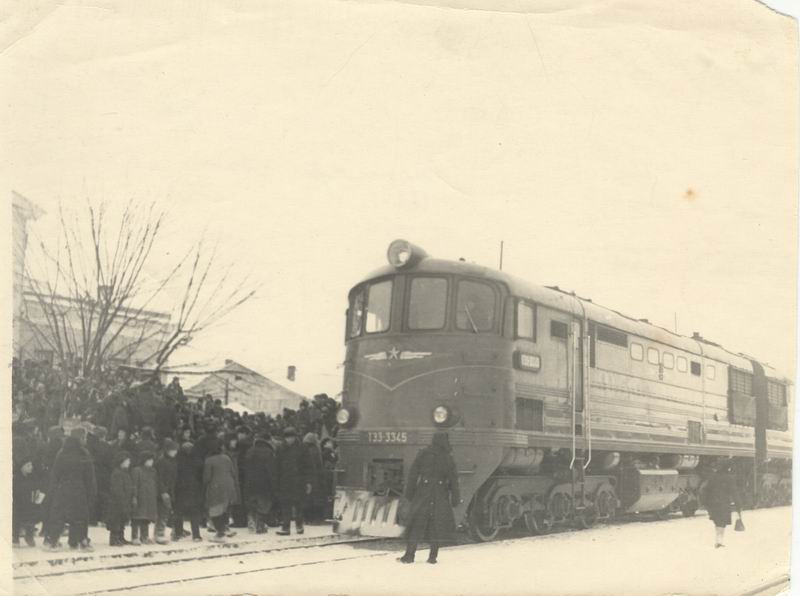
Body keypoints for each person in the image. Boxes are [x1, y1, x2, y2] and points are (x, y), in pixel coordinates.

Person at [398, 431, 460, 564]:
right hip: (440, 494)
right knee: (436, 526)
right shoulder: (448, 457)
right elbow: (454, 479)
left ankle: (409, 556)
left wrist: (410, 493)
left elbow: (413, 474)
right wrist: (455, 498)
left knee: (416, 524)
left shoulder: (423, 453)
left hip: (423, 493)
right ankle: (432, 557)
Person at [45, 427, 97, 552]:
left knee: (59, 515)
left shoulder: (61, 453)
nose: (85, 440)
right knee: (80, 515)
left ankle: (53, 541)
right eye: (83, 437)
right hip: (79, 489)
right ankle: (79, 541)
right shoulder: (84, 454)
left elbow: (55, 474)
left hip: (63, 489)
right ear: (79, 438)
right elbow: (89, 477)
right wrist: (92, 492)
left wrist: (53, 490)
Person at [276, 427, 311, 536]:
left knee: (298, 504)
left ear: (295, 437)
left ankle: (299, 525)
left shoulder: (302, 448)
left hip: (299, 480)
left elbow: (308, 466)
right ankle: (286, 527)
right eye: (287, 437)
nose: (289, 439)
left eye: (291, 437)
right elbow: (277, 466)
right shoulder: (281, 448)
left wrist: (308, 482)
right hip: (285, 481)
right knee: (285, 504)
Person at [203, 438, 239, 543]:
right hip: (229, 486)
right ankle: (224, 529)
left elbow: (207, 478)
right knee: (225, 509)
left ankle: (220, 533)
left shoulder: (209, 460)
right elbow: (233, 472)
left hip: (216, 487)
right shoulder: (226, 458)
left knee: (215, 510)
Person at [244, 431, 277, 534]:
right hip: (264, 482)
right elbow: (271, 469)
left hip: (250, 482)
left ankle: (251, 521)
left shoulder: (250, 450)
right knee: (264, 504)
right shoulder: (268, 452)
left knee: (252, 502)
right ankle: (260, 526)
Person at [704, 459, 742, 548]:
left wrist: (706, 503)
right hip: (723, 503)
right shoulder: (729, 478)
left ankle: (718, 540)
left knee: (717, 522)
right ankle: (719, 541)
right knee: (722, 523)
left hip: (713, 503)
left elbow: (707, 490)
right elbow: (734, 492)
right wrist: (738, 504)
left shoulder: (712, 477)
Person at [175, 442, 204, 542]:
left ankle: (178, 533)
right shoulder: (197, 459)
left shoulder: (177, 460)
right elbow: (201, 474)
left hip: (181, 489)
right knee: (194, 513)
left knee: (179, 512)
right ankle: (196, 535)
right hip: (193, 489)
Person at [13, 457, 42, 547]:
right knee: (16, 517)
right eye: (28, 465)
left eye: (31, 465)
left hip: (29, 502)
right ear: (22, 467)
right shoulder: (16, 477)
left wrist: (37, 490)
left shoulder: (32, 476)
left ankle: (29, 536)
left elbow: (36, 486)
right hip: (18, 503)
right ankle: (15, 537)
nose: (31, 467)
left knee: (32, 515)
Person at [130, 451, 158, 545]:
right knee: (137, 518)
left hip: (150, 497)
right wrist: (134, 496)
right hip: (140, 497)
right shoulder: (137, 470)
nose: (151, 462)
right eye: (149, 460)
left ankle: (144, 536)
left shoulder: (153, 471)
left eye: (152, 460)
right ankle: (134, 536)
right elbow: (134, 484)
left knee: (146, 518)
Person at [107, 451, 134, 546]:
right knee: (116, 519)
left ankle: (120, 537)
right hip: (117, 501)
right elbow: (116, 489)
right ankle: (114, 538)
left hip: (125, 500)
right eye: (127, 461)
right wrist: (122, 498)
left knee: (122, 519)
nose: (129, 462)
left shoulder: (125, 473)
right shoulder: (117, 473)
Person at [155, 439, 178, 544]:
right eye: (173, 450)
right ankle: (159, 534)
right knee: (163, 513)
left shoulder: (172, 461)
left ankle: (162, 532)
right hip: (163, 491)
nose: (175, 452)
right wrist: (163, 491)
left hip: (171, 490)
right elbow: (159, 478)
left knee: (166, 512)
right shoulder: (161, 461)